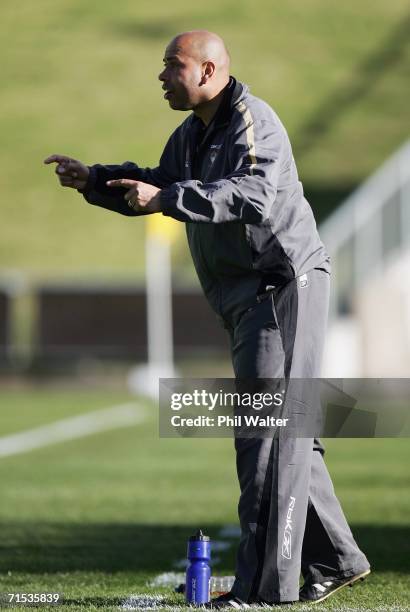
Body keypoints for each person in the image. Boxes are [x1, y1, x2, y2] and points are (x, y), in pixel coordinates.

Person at [44, 30, 370, 607]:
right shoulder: (192, 133)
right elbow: (162, 184)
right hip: (248, 300)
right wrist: (94, 179)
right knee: (283, 431)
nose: (162, 76)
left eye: (173, 65)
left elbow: (254, 195)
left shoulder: (253, 119)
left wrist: (167, 200)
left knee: (265, 437)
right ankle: (338, 559)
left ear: (210, 70)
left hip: (281, 287)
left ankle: (265, 591)